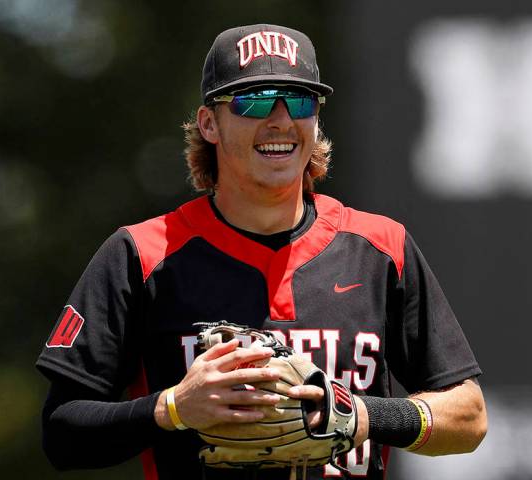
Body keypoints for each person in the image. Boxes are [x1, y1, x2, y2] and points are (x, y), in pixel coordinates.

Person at [36, 24, 487, 479]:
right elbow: (62, 433)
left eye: (299, 100)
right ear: (209, 123)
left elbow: (469, 417)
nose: (280, 121)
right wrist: (172, 407)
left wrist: (367, 415)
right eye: (254, 100)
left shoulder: (379, 248)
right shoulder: (144, 254)